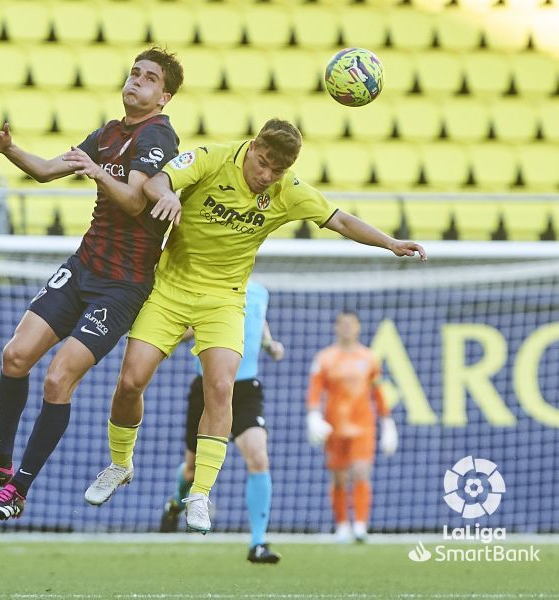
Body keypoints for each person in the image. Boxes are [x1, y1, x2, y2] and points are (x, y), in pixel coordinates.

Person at [84, 119, 425, 534]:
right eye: (262, 163)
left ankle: (200, 494)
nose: (266, 176)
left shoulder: (288, 190)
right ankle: (120, 464)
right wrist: (168, 195)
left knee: (221, 386)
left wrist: (390, 243)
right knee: (130, 382)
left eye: (276, 171)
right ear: (252, 147)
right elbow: (157, 181)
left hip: (225, 298)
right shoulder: (212, 158)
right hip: (170, 289)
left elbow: (340, 220)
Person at [0, 47, 184, 521]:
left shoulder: (158, 135)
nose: (136, 81)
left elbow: (135, 202)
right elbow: (46, 171)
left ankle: (18, 489)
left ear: (164, 96)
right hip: (83, 267)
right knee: (15, 356)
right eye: (134, 73)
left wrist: (96, 173)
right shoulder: (109, 133)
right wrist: (8, 149)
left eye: (149, 78)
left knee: (58, 378)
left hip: (122, 286)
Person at [159, 280, 285, 564]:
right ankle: (176, 503)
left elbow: (258, 318)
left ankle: (258, 543)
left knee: (258, 458)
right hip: (209, 387)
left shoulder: (259, 291)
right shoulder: (209, 284)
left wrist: (268, 343)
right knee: (192, 470)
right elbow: (186, 328)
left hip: (245, 390)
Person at [305, 310, 398, 543]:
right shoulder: (325, 358)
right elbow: (315, 391)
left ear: (358, 327)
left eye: (351, 324)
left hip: (363, 426)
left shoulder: (369, 358)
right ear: (336, 327)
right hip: (334, 426)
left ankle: (360, 525)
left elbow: (378, 392)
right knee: (338, 477)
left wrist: (387, 422)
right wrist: (313, 416)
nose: (346, 328)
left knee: (361, 472)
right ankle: (342, 525)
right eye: (342, 324)